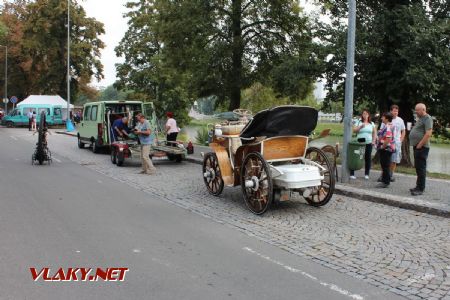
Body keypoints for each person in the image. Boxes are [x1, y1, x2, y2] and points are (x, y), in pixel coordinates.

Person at [409, 103, 433, 196]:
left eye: (417, 110)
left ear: (423, 109)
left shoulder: (428, 118)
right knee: (418, 168)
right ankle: (418, 186)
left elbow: (428, 133)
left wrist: (420, 144)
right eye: (415, 110)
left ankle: (420, 189)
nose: (416, 112)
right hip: (417, 146)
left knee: (421, 168)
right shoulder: (420, 119)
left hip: (422, 147)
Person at [350, 109, 376, 180]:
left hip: (368, 142)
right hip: (359, 142)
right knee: (356, 157)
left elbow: (374, 133)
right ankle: (352, 173)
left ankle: (366, 174)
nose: (365, 115)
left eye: (366, 114)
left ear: (368, 115)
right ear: (362, 115)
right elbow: (354, 130)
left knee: (368, 158)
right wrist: (360, 127)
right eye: (364, 114)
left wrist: (373, 141)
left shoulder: (372, 123)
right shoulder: (358, 122)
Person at [376, 112, 395, 188]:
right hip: (387, 149)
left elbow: (388, 138)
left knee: (385, 165)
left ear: (387, 118)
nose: (381, 118)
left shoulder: (388, 127)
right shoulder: (388, 125)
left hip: (386, 149)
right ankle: (385, 180)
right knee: (385, 165)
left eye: (383, 117)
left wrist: (382, 147)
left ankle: (385, 182)